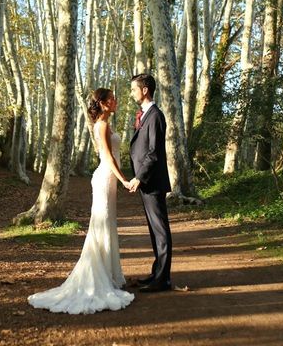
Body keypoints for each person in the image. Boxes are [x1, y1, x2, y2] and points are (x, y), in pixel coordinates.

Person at [27, 88, 134, 314]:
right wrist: (124, 180)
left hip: (108, 179)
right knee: (101, 224)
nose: (116, 101)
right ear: (103, 103)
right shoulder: (102, 125)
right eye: (112, 99)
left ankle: (108, 275)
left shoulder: (105, 123)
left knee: (107, 225)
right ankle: (98, 278)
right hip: (105, 178)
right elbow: (107, 158)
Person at [126, 73, 173, 293]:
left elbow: (154, 153)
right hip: (147, 182)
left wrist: (139, 177)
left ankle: (162, 280)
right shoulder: (146, 115)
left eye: (134, 89)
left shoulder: (155, 115)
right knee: (155, 231)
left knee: (160, 231)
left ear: (145, 90)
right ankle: (157, 274)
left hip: (152, 182)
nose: (132, 92)